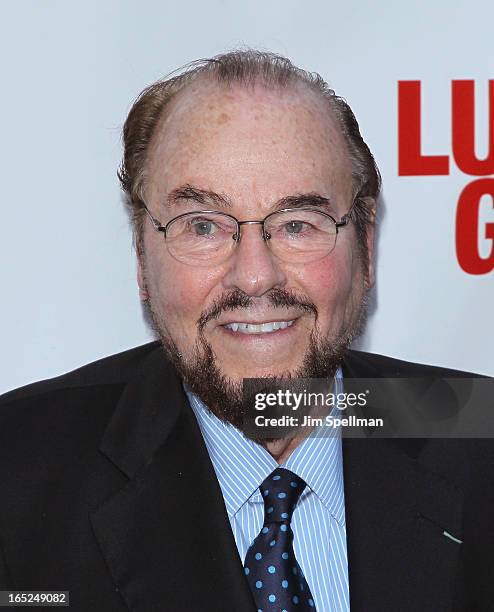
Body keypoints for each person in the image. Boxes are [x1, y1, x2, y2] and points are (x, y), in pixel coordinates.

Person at [1, 50, 493, 612]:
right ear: (142, 256)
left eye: (298, 223)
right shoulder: (14, 478)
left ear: (366, 249)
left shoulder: (476, 431)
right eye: (203, 226)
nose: (255, 276)